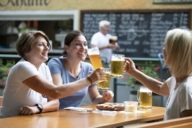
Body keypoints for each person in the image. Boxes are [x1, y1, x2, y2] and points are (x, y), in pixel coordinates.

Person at [1, 31, 104, 117]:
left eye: (47, 45)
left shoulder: (44, 68)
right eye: (41, 45)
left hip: (31, 121)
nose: (46, 48)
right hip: (10, 122)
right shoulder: (23, 67)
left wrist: (37, 108)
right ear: (26, 49)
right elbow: (55, 92)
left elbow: (55, 103)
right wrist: (89, 80)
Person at [125, 28, 192, 120]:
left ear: (172, 54)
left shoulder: (185, 89)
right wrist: (133, 72)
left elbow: (187, 125)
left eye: (166, 46)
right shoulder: (176, 80)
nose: (163, 49)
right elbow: (159, 88)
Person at [48, 30, 113, 109]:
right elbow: (58, 92)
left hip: (75, 116)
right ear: (66, 48)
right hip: (54, 114)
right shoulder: (55, 64)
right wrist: (88, 80)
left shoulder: (88, 68)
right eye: (77, 44)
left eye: (85, 44)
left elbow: (95, 99)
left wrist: (104, 98)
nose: (83, 48)